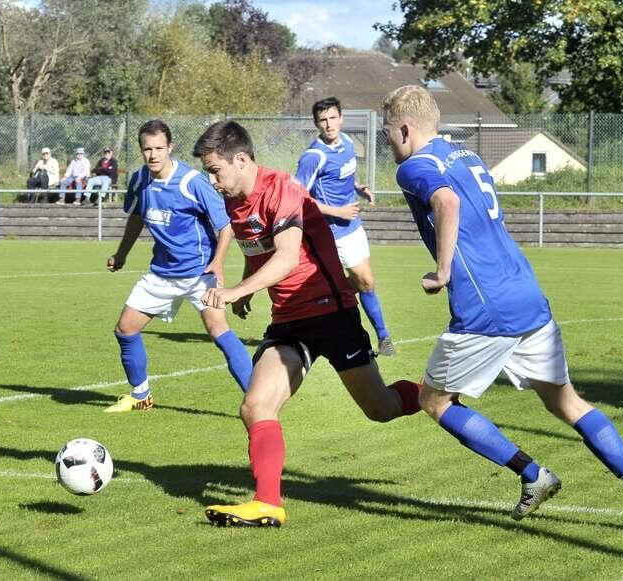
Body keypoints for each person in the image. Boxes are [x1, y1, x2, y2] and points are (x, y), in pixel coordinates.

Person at [381, 84, 623, 531]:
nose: (388, 146)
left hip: (485, 307)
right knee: (566, 402)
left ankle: (533, 475)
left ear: (405, 128)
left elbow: (447, 201)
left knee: (434, 400)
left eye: (387, 136)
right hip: (525, 291)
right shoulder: (467, 156)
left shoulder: (415, 167)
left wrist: (441, 272)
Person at [193, 120, 422, 529]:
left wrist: (233, 290)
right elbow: (256, 246)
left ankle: (435, 395)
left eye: (216, 170)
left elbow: (284, 257)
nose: (212, 180)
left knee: (381, 408)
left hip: (330, 312)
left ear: (241, 159)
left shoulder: (280, 188)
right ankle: (267, 503)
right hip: (288, 321)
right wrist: (247, 290)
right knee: (255, 405)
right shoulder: (233, 200)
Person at [104, 120, 253, 413]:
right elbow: (136, 217)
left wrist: (218, 265)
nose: (153, 154)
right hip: (161, 273)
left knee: (219, 331)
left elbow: (225, 226)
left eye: (159, 147)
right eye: (147, 149)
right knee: (125, 329)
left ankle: (257, 399)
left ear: (170, 147)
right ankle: (140, 395)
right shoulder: (138, 181)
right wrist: (121, 254)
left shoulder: (191, 182)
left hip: (199, 274)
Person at [294, 97, 395, 356]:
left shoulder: (348, 142)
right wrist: (336, 211)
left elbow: (347, 177)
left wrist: (359, 188)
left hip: (353, 226)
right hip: (332, 232)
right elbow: (298, 200)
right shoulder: (313, 156)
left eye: (332, 118)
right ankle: (383, 338)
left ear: (341, 118)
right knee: (366, 281)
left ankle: (378, 335)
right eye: (322, 120)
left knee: (365, 283)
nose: (328, 125)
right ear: (316, 124)